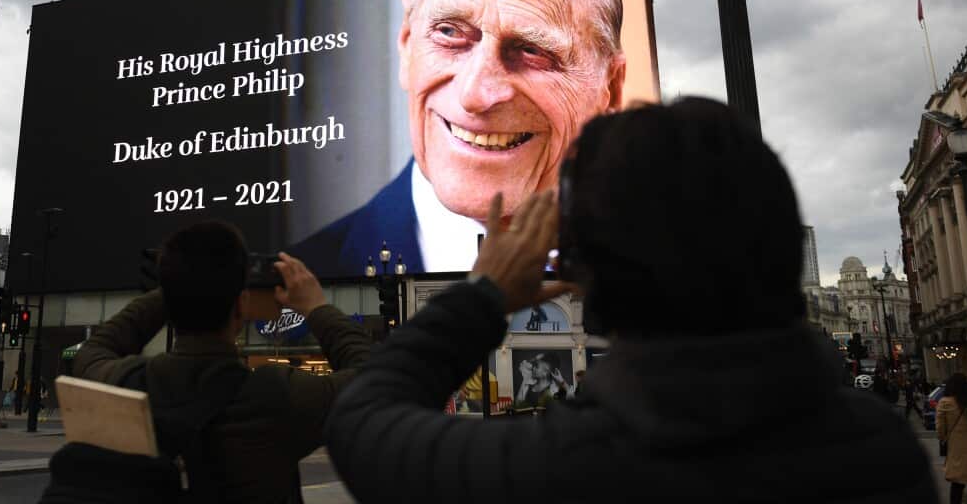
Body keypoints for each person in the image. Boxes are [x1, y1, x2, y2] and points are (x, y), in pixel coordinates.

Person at [325, 98, 936, 502]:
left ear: (588, 272)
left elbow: (362, 419)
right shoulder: (887, 452)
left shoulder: (564, 468)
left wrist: (483, 295)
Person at [292, 0, 628, 275]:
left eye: (532, 51)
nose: (474, 95)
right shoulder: (291, 290)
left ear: (611, 89)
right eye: (450, 33)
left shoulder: (671, 274)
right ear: (407, 44)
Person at [65, 221, 372, 503]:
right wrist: (316, 307)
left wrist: (176, 289)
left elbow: (94, 351)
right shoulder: (278, 396)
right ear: (241, 306)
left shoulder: (127, 384)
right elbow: (372, 378)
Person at [937, 373, 967, 503]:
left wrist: (944, 438)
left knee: (957, 484)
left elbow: (940, 429)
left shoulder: (945, 403)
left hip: (957, 448)